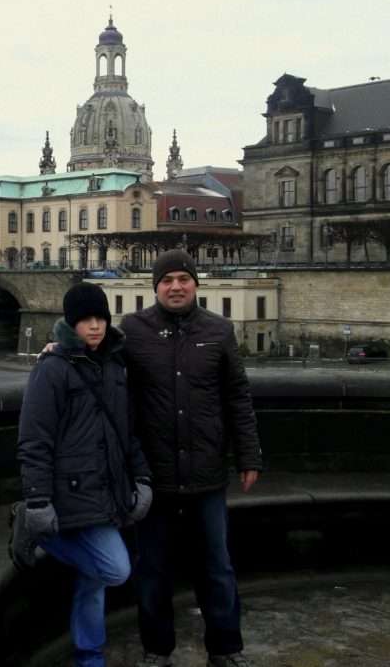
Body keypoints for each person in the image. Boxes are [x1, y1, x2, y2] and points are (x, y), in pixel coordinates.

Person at [124, 250, 262, 667]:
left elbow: (237, 395)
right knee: (152, 572)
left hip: (206, 473)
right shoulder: (133, 329)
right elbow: (105, 373)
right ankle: (156, 649)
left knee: (217, 569)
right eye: (167, 280)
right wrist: (60, 343)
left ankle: (225, 649)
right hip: (154, 475)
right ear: (156, 287)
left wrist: (248, 454)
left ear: (196, 284)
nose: (176, 286)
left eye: (184, 278)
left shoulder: (219, 331)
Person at [12, 282, 154, 667]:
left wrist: (141, 479)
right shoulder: (53, 368)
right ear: (70, 323)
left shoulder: (115, 364)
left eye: (100, 318)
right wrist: (38, 501)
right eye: (85, 320)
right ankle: (32, 527)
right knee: (115, 569)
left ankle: (89, 655)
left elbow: (127, 430)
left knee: (94, 582)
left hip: (104, 489)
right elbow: (34, 439)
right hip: (69, 491)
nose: (94, 326)